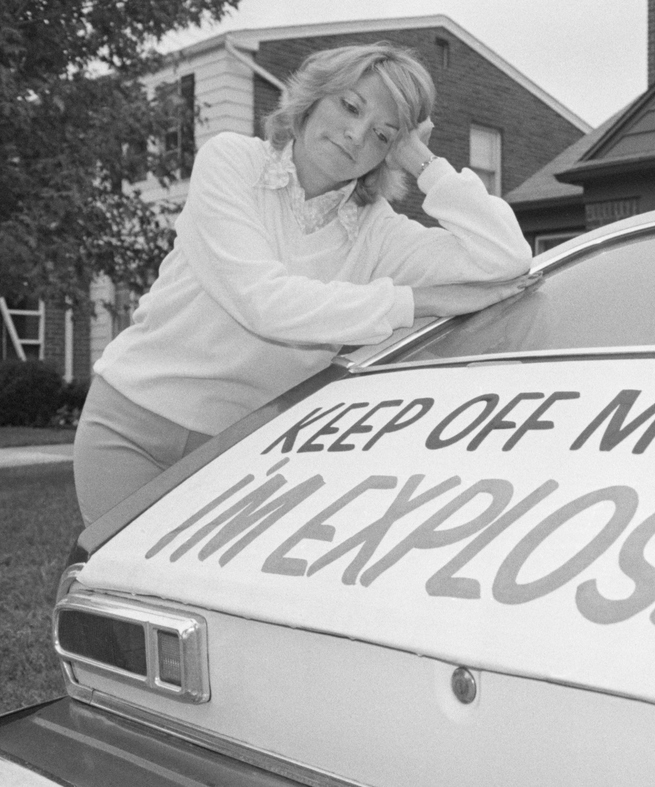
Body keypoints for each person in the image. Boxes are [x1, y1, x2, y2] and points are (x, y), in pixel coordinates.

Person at [73, 42, 534, 526]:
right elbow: (263, 302)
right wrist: (414, 302)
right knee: (121, 574)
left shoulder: (378, 232)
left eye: (382, 134)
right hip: (131, 426)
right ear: (314, 97)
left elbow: (505, 256)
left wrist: (424, 162)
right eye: (350, 106)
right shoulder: (232, 162)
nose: (356, 134)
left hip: (243, 450)